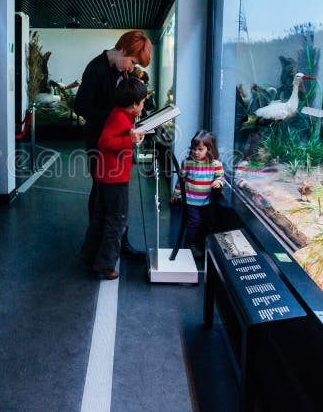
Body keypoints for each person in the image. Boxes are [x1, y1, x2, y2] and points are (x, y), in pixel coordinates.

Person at [74, 30, 151, 261]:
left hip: (119, 142)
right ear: (123, 50)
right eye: (133, 61)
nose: (131, 67)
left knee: (116, 198)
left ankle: (116, 244)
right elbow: (81, 107)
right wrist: (116, 117)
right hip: (100, 142)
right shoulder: (95, 69)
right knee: (100, 194)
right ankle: (97, 248)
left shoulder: (124, 71)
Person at [80, 78, 147, 279]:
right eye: (142, 102)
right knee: (116, 221)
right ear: (134, 104)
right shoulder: (119, 118)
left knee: (101, 218)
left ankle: (89, 254)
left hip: (106, 176)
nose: (143, 105)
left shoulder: (121, 114)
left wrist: (132, 135)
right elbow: (105, 141)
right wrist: (130, 139)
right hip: (114, 178)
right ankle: (105, 264)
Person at [170, 130, 225, 258]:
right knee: (195, 221)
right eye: (194, 149)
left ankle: (201, 245)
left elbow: (221, 177)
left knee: (205, 223)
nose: (196, 152)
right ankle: (188, 245)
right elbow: (181, 179)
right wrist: (176, 193)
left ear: (209, 149)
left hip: (206, 201)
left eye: (200, 149)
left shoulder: (215, 164)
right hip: (190, 200)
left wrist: (218, 182)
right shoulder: (187, 162)